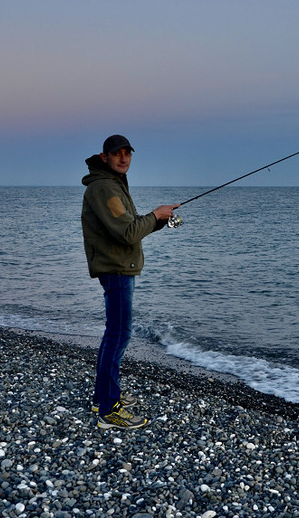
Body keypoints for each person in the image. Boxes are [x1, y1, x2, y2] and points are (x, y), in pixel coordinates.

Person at [81, 134, 178, 430]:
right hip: (117, 270)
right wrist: (154, 215)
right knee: (118, 335)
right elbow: (127, 233)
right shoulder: (105, 188)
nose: (123, 158)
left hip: (119, 266)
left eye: (128, 154)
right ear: (104, 157)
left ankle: (103, 398)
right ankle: (109, 411)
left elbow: (129, 228)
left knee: (115, 333)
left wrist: (159, 221)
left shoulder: (113, 184)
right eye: (117, 154)